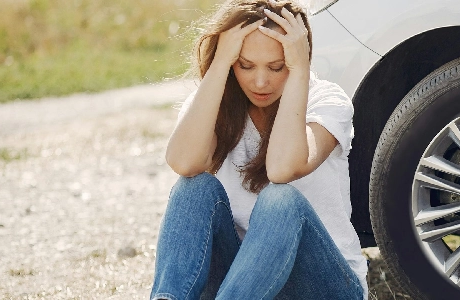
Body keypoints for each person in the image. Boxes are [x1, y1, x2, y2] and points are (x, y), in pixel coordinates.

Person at [149, 0, 366, 299]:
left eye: (276, 67)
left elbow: (281, 169)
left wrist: (299, 71)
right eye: (245, 65)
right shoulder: (213, 106)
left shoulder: (327, 102)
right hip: (244, 285)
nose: (260, 81)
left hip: (323, 286)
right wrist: (220, 62)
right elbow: (183, 163)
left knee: (280, 200)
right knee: (194, 188)